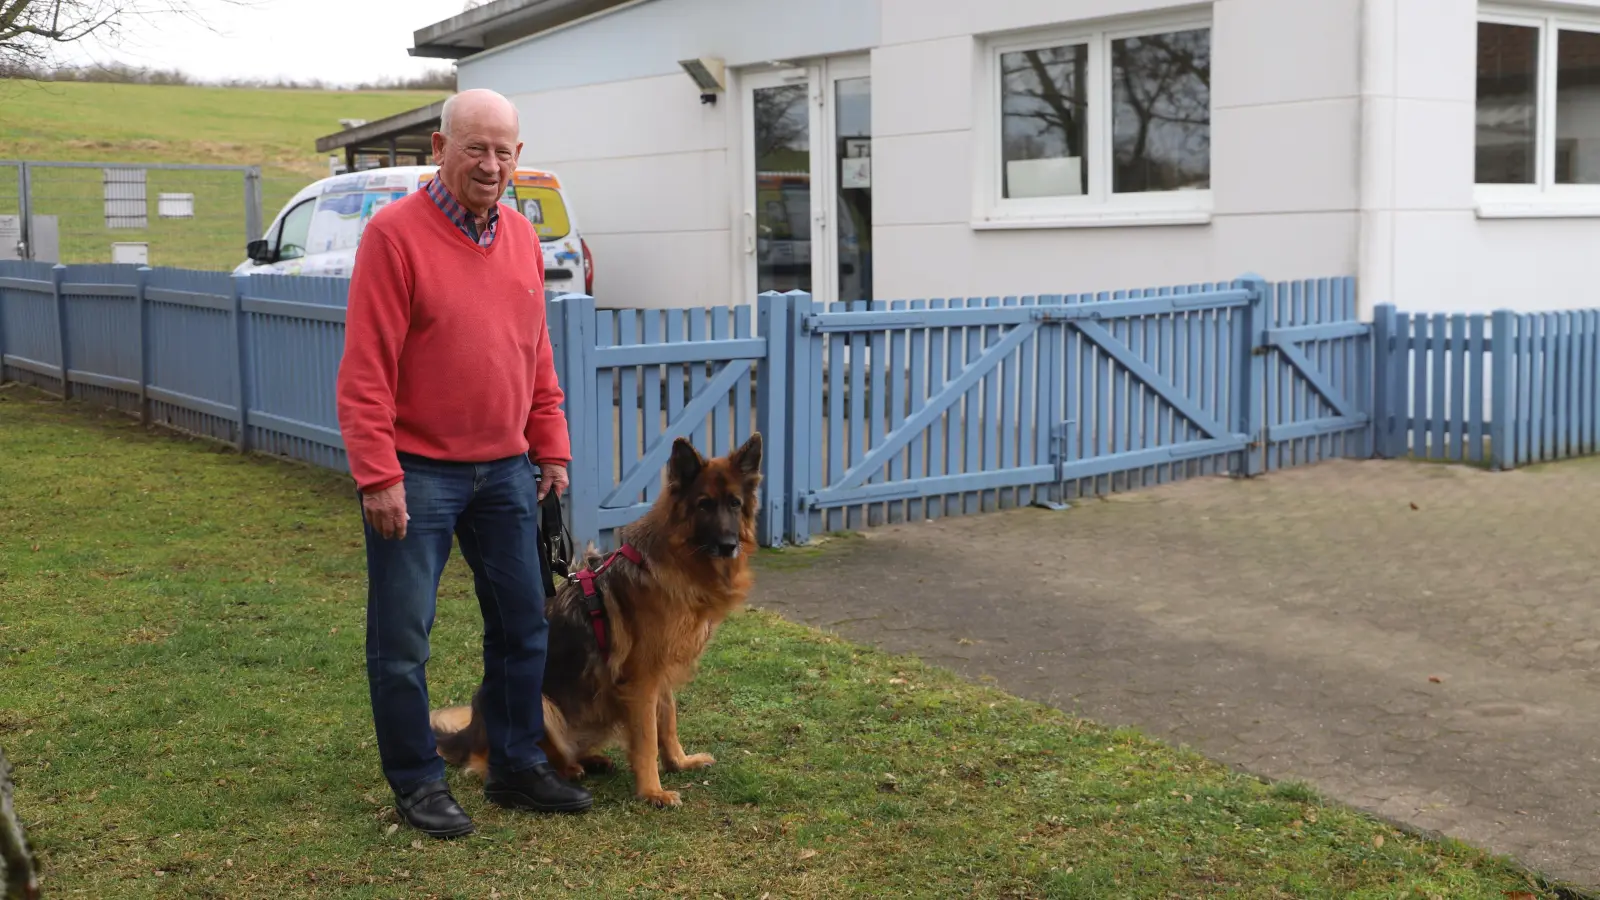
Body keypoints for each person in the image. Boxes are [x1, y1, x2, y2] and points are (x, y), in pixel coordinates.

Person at [335, 88, 591, 839]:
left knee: (523, 626)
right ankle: (416, 782)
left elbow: (533, 352)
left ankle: (514, 764)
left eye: (503, 150)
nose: (490, 163)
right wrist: (377, 474)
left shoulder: (519, 235)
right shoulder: (394, 236)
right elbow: (365, 370)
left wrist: (551, 444)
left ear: (518, 155)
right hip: (417, 472)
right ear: (439, 149)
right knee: (402, 639)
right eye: (474, 148)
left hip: (507, 470)